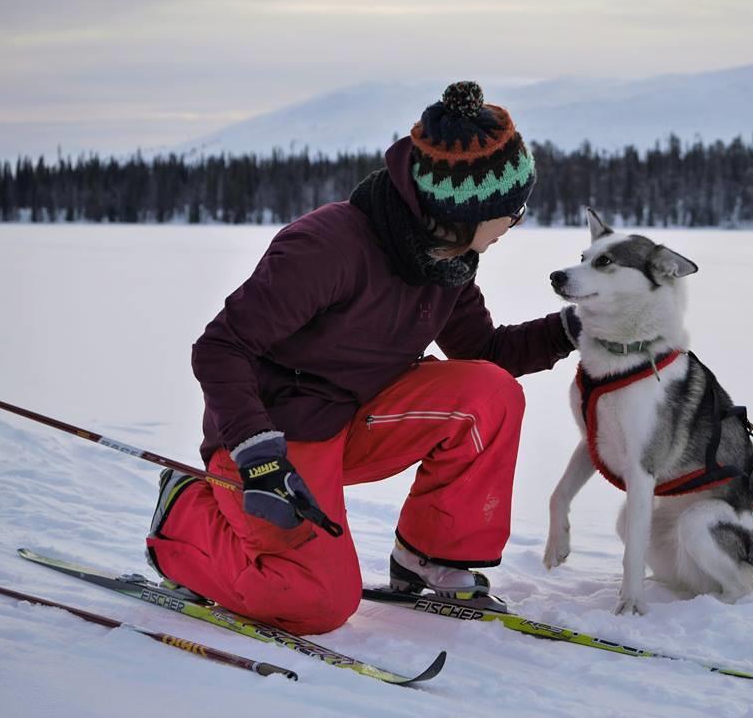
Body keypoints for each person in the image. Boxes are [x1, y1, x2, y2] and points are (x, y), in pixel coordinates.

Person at [145, 81, 577, 635]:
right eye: (512, 215)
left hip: (359, 415)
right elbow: (221, 347)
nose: (513, 227)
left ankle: (430, 553)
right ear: (468, 210)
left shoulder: (447, 259)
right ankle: (184, 519)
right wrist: (255, 450)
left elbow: (484, 354)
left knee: (490, 392)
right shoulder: (329, 247)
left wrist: (574, 329)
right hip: (278, 439)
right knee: (318, 603)